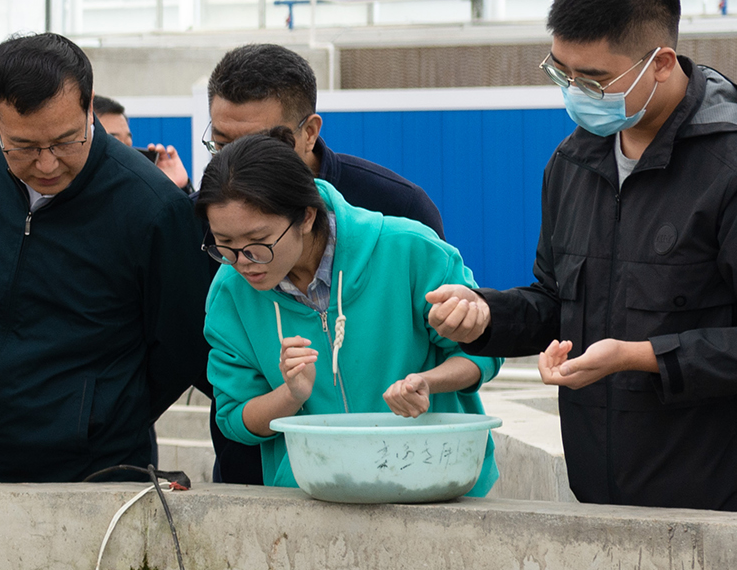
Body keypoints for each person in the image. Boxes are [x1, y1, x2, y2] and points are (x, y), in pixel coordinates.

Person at [428, 0, 737, 515]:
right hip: (607, 504)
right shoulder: (574, 162)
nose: (574, 92)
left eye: (593, 79)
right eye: (561, 73)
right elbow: (555, 301)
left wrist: (641, 357)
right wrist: (485, 315)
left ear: (660, 62)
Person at [0, 33, 210, 482]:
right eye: (23, 146)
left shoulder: (151, 206)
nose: (46, 164)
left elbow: (184, 345)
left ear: (90, 106)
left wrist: (98, 410)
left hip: (91, 468)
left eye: (65, 141)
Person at [200, 133, 501, 494]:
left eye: (258, 242)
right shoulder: (229, 294)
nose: (243, 263)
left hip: (435, 487)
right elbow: (234, 418)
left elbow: (480, 349)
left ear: (306, 216)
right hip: (319, 499)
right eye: (225, 245)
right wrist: (291, 394)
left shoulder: (408, 249)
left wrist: (429, 382)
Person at [197, 43, 444, 236]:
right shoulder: (198, 218)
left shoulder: (398, 209)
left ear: (310, 132)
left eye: (261, 147)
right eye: (223, 146)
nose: (237, 164)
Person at [93, 93, 188, 185]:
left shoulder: (138, 189)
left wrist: (169, 186)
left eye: (127, 143)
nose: (123, 150)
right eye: (114, 140)